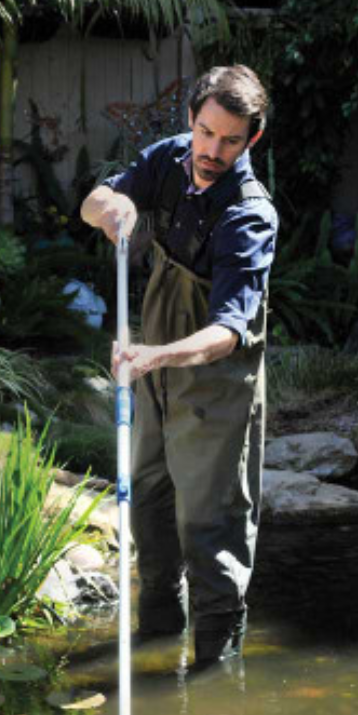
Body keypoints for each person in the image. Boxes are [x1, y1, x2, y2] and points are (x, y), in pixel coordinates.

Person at [80, 65, 278, 665]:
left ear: (252, 140)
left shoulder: (249, 215)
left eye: (230, 140)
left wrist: (151, 356)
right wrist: (109, 208)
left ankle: (218, 671)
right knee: (150, 506)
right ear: (190, 120)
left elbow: (226, 331)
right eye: (205, 132)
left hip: (215, 380)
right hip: (156, 372)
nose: (212, 151)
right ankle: (157, 644)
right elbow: (95, 199)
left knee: (209, 527)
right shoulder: (168, 160)